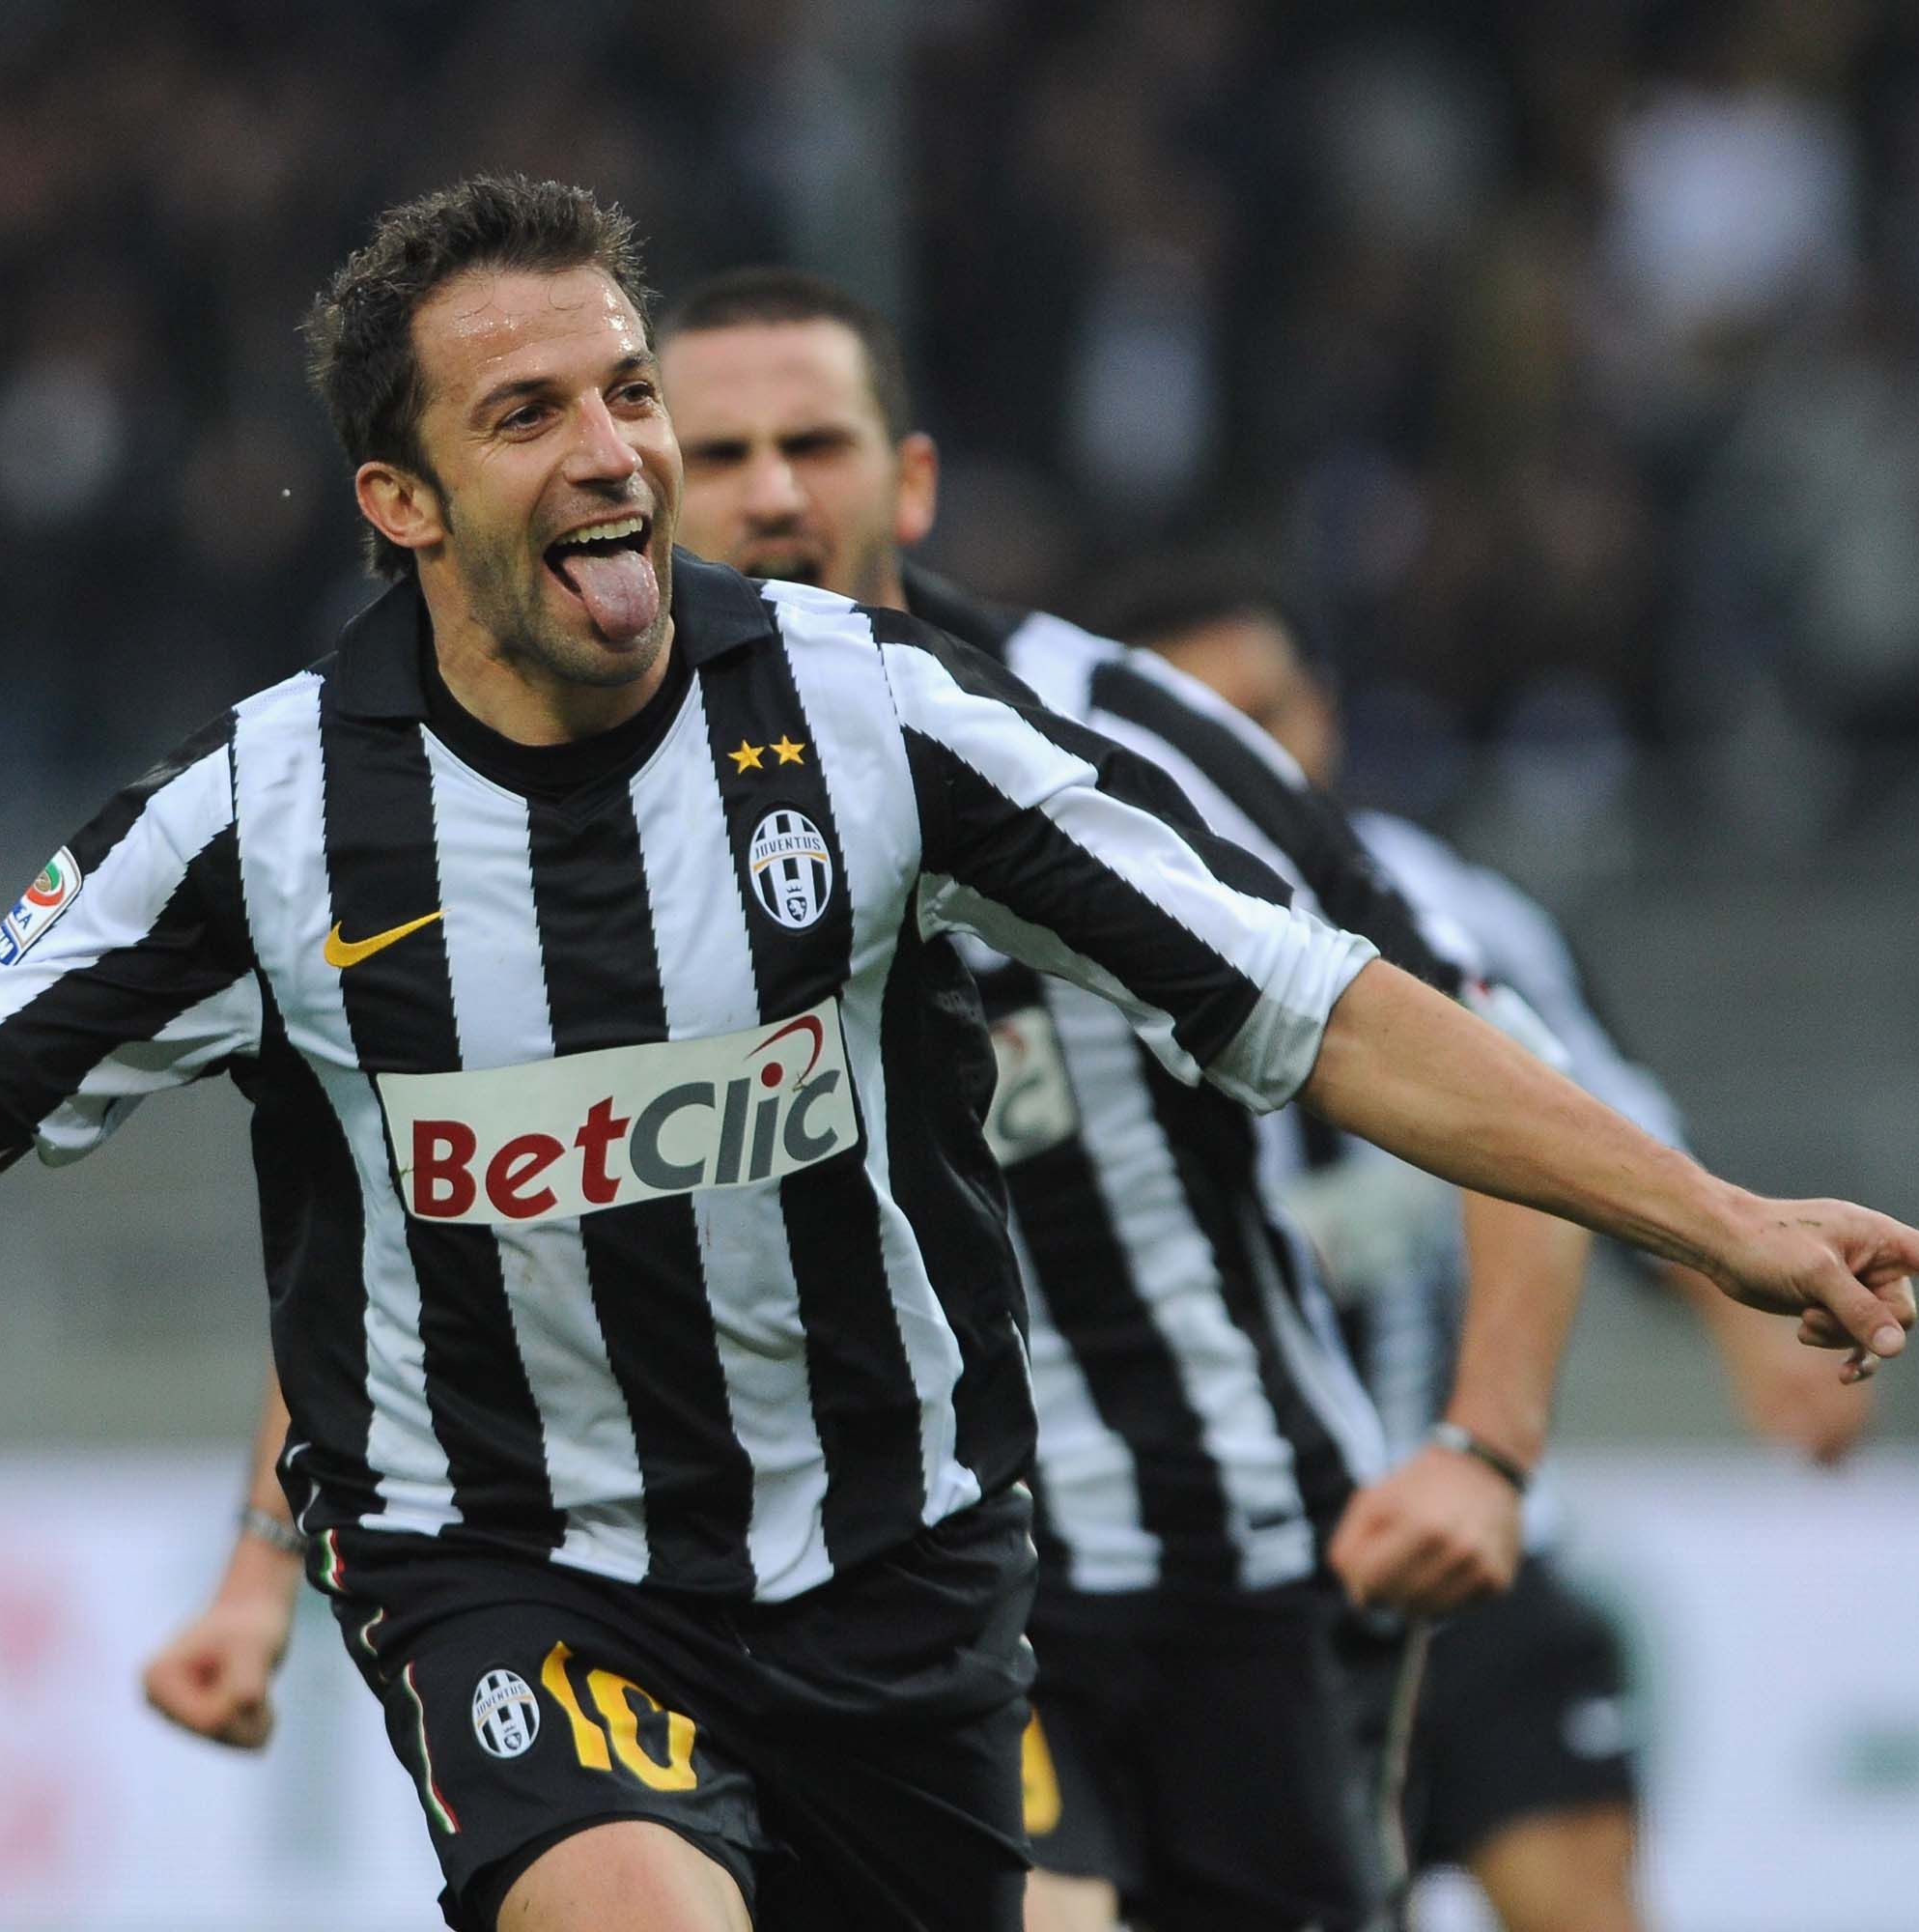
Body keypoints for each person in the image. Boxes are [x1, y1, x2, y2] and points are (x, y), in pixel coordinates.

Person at [0, 179, 1919, 1932]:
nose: (621, 454)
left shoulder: (881, 724)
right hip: (515, 1574)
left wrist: (1723, 1216)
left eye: (633, 397)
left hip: (914, 1576)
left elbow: (1324, 1013)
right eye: (531, 409)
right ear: (401, 500)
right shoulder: (261, 825)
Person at [653, 266, 1582, 1932]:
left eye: (815, 441)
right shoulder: (567, 821)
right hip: (899, 1587)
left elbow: (1497, 1062)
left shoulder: (1121, 729)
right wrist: (261, 1553)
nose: (772, 491)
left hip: (1246, 1572)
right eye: (717, 454)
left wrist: (1485, 1450)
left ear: (909, 478)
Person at [1124, 565, 1869, 1932]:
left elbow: (1615, 1138)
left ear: (1328, 715)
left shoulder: (1453, 911)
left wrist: (1749, 1328)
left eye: (1268, 713)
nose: (1248, 760)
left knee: (1584, 1899)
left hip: (1480, 1536)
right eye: (1198, 732)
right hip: (1239, 1586)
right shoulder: (1073, 947)